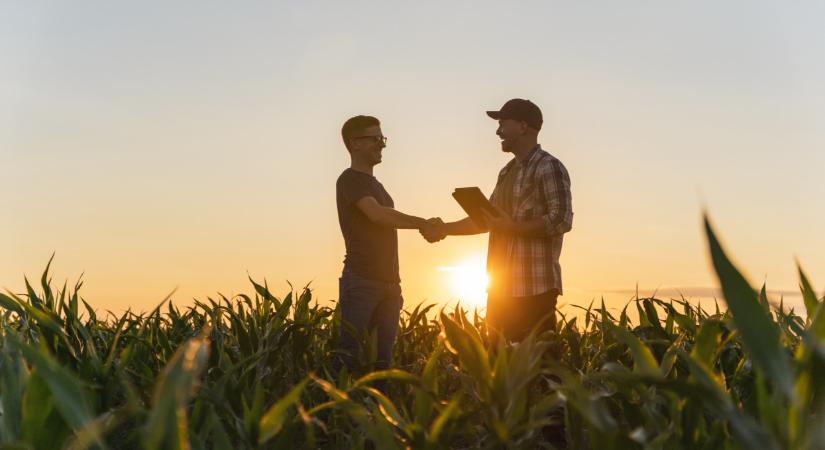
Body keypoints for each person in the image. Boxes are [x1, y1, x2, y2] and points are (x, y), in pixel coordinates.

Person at [422, 99, 573, 343]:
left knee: (540, 369)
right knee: (499, 367)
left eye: (503, 124)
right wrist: (444, 229)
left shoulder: (549, 166)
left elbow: (562, 219)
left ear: (523, 127)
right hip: (500, 290)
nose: (498, 131)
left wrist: (512, 228)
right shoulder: (506, 171)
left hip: (534, 290)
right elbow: (486, 221)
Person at [335, 115, 441, 385]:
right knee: (348, 359)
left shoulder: (376, 185)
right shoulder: (350, 180)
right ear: (355, 144)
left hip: (390, 285)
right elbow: (378, 215)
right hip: (362, 283)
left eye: (383, 139)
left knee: (382, 366)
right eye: (375, 139)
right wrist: (422, 224)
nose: (382, 145)